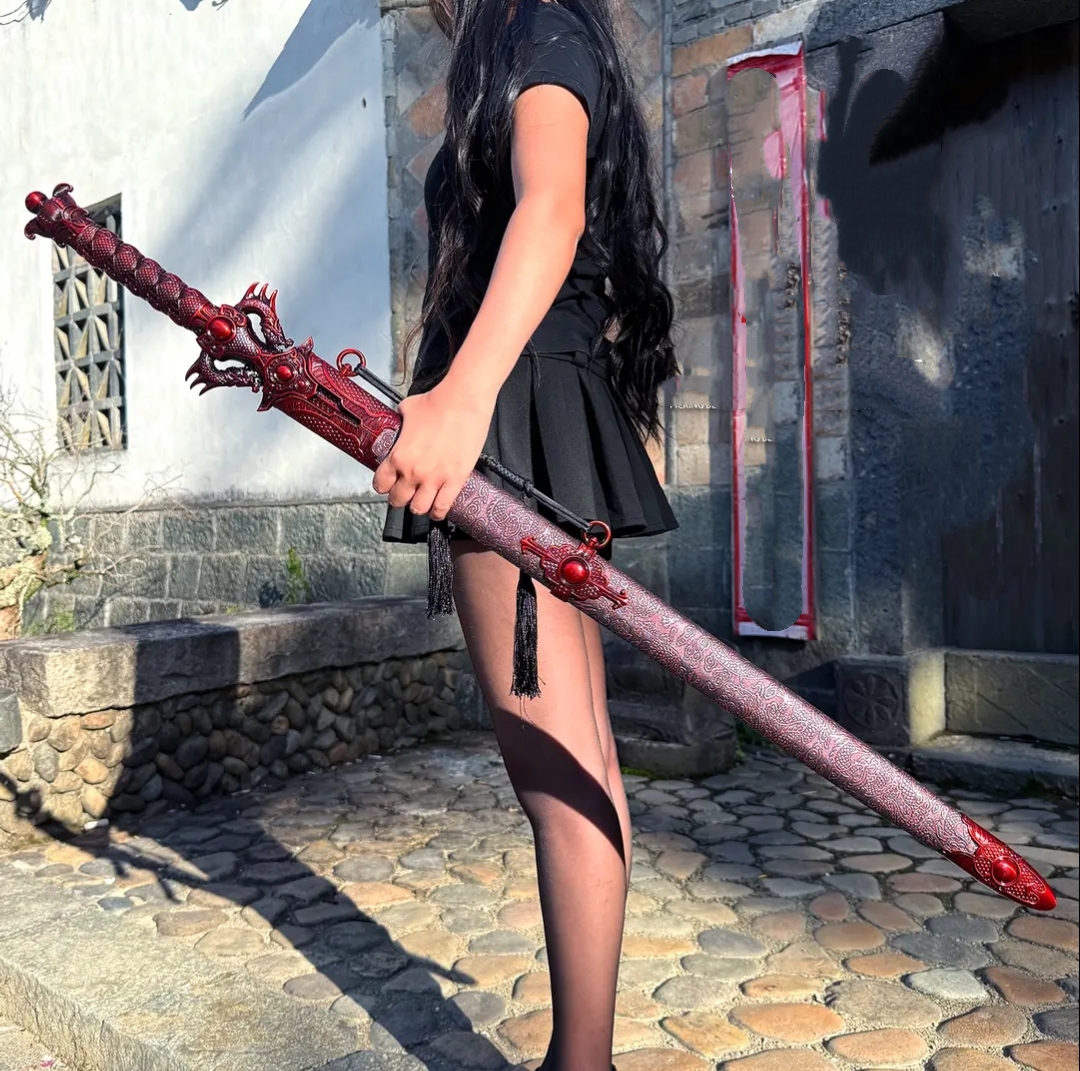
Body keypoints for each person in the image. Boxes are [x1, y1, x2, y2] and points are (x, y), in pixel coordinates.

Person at [379, 0, 680, 1066]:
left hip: (512, 427)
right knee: (582, 766)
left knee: (561, 778)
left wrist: (462, 401)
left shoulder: (535, 27)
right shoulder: (539, 31)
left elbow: (551, 207)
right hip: (538, 414)